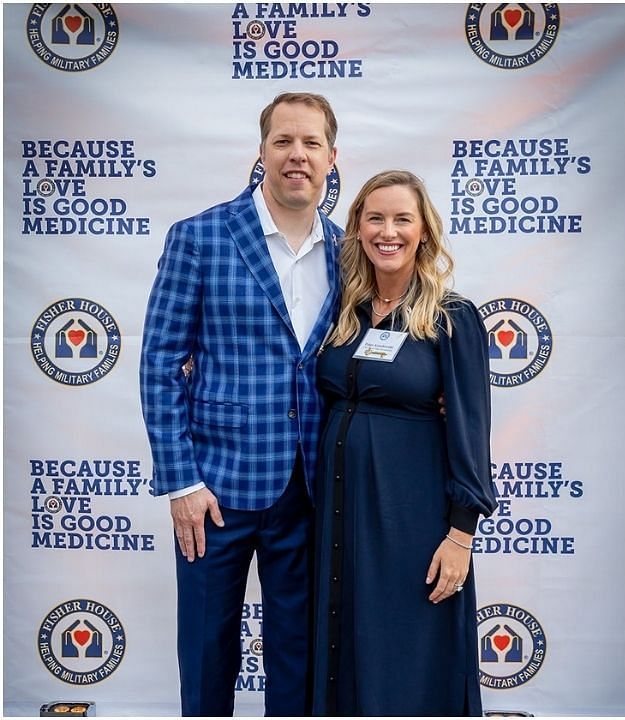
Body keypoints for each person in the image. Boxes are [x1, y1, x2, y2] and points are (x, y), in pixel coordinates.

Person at [140, 92, 341, 716]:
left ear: (332, 159)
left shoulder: (349, 250)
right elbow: (158, 362)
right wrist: (180, 481)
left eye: (311, 143)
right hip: (214, 495)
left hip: (310, 492)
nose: (296, 155)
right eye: (283, 142)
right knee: (207, 655)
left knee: (299, 661)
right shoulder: (199, 237)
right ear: (261, 153)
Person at [310, 170, 497, 716]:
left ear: (423, 232)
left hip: (411, 520)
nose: (386, 232)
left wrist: (461, 535)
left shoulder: (451, 317)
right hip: (340, 516)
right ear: (357, 229)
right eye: (375, 218)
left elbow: (471, 431)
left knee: (409, 650)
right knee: (346, 646)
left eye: (401, 219)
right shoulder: (340, 311)